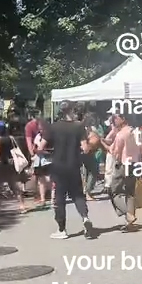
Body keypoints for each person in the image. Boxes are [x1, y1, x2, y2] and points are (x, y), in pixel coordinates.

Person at [39, 102, 94, 239]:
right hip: (74, 166)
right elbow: (86, 148)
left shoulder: (53, 127)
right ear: (72, 111)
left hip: (58, 167)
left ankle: (62, 229)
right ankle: (85, 218)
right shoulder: (78, 127)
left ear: (60, 112)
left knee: (59, 198)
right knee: (78, 195)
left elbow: (41, 146)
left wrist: (47, 152)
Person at [104, 114, 142, 231]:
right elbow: (141, 150)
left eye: (116, 118)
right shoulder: (136, 132)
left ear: (123, 119)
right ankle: (130, 222)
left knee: (114, 191)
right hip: (134, 164)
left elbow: (114, 152)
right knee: (130, 193)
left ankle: (128, 215)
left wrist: (102, 143)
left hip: (123, 165)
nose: (114, 120)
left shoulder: (121, 135)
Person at [0, 120, 26, 213]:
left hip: (0, 165)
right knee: (15, 185)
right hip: (11, 164)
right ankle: (22, 205)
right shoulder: (10, 138)